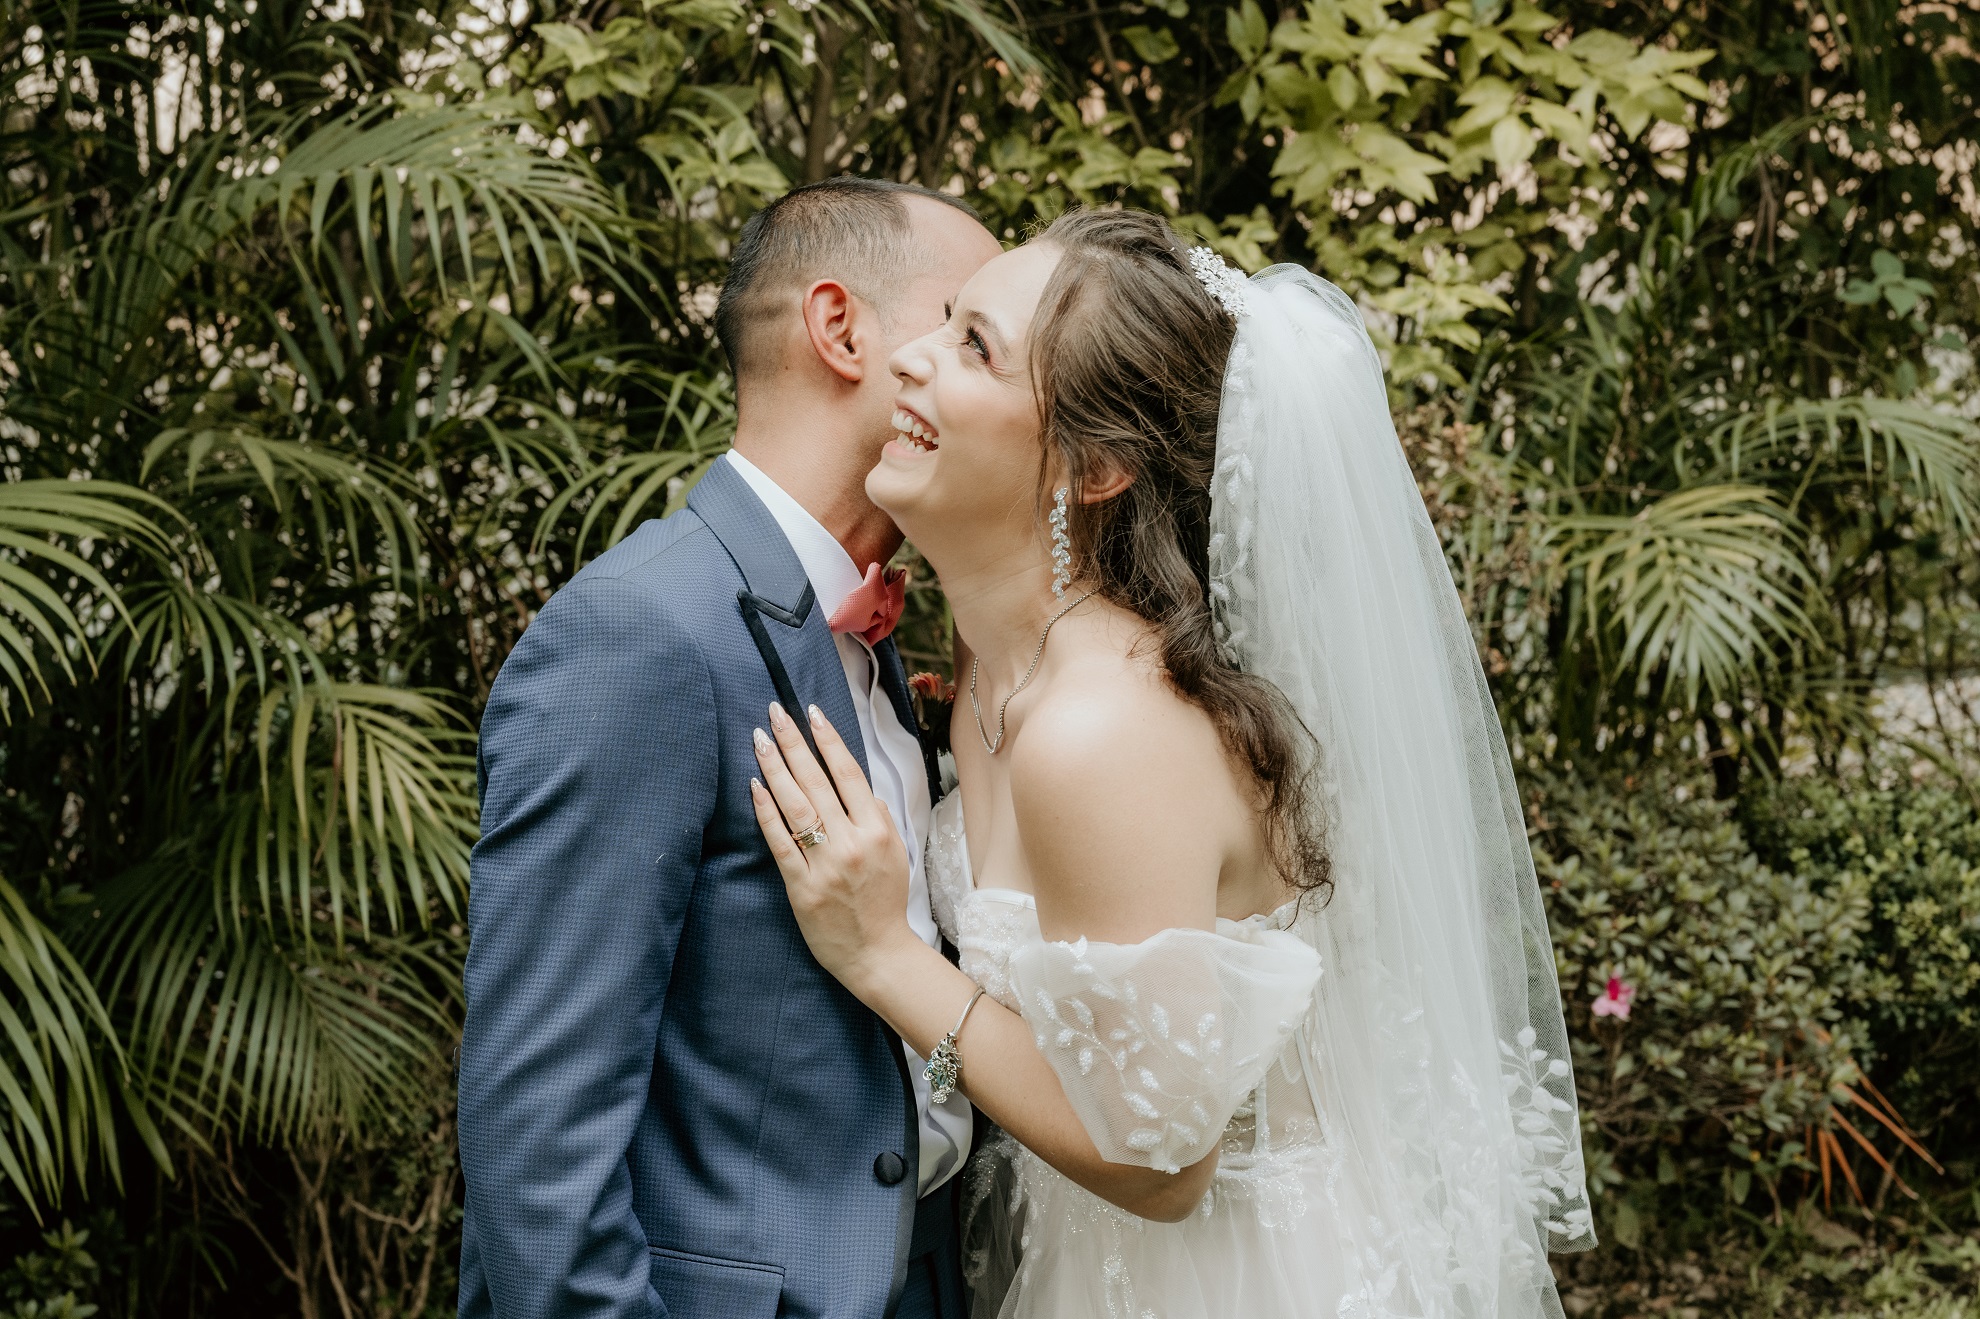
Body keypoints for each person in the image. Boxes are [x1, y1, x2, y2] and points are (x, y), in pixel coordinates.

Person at [746, 208, 1596, 1319]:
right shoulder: (992, 682)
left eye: (974, 346)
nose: (913, 353)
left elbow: (1162, 1162)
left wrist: (884, 956)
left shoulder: (1104, 731)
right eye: (947, 321)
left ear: (1092, 467)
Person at [457, 177, 1002, 1319]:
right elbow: (539, 1142)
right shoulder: (638, 634)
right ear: (841, 329)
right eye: (957, 324)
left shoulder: (883, 632)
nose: (978, 368)